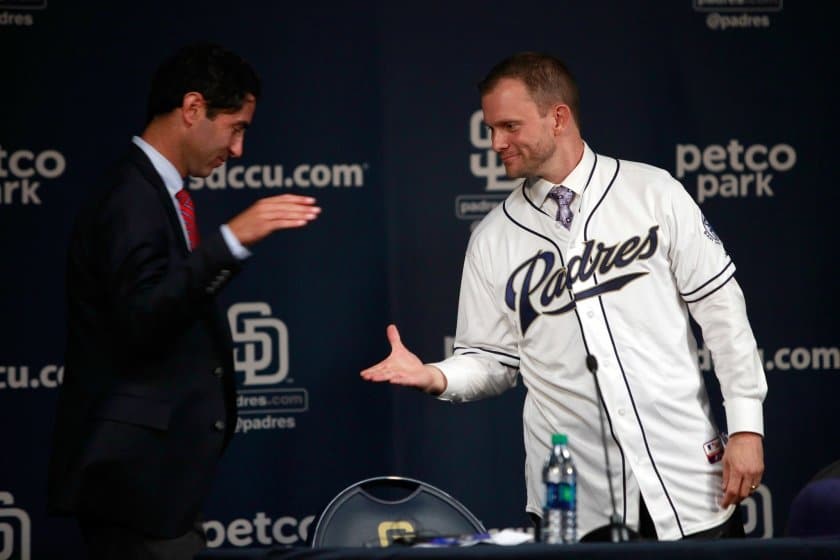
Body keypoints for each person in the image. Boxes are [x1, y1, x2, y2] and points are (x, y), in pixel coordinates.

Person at [362, 52, 766, 540]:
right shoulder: (493, 237)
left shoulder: (652, 192)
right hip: (574, 501)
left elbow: (722, 312)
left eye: (509, 126)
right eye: (490, 128)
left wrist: (745, 426)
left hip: (688, 480)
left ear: (558, 118)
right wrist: (435, 374)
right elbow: (490, 361)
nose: (496, 143)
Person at [47, 42, 320, 559]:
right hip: (132, 483)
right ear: (193, 108)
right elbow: (142, 317)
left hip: (154, 485)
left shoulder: (155, 192)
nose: (238, 149)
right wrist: (229, 241)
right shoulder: (130, 197)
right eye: (236, 127)